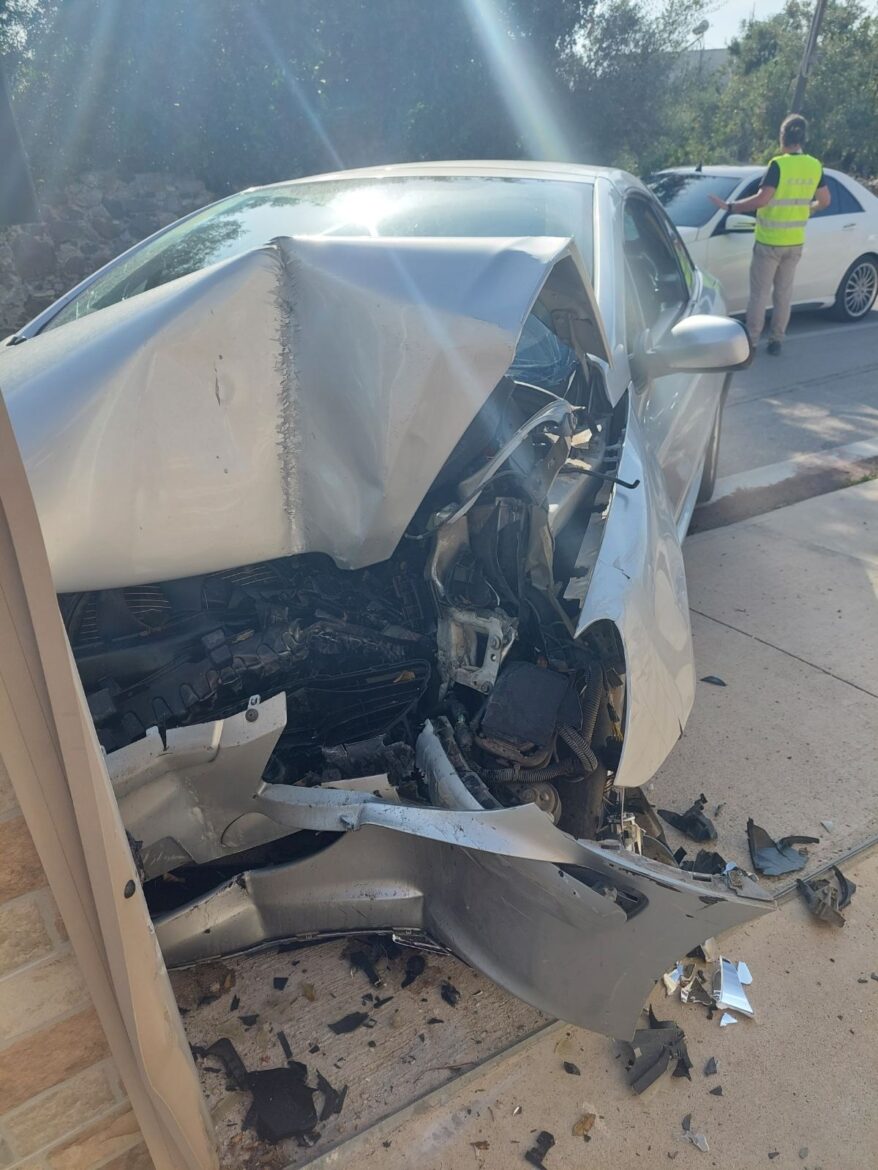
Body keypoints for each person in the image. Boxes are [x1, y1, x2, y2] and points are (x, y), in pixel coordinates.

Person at [709, 113, 830, 355]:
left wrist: (730, 207)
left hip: (769, 242)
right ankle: (777, 340)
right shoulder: (814, 165)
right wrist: (808, 209)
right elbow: (825, 201)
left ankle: (752, 342)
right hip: (795, 243)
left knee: (759, 295)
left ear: (782, 136)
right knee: (783, 295)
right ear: (803, 138)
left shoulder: (778, 165)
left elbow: (762, 199)